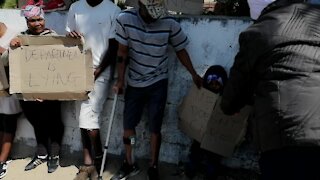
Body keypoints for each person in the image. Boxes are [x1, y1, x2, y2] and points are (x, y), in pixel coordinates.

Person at [220, 0, 320, 179]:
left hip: (284, 140)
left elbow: (231, 97)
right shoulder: (316, 17)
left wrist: (232, 106)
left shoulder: (258, 32)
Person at [112, 0, 203, 179]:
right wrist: (120, 80)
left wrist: (194, 73)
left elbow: (180, 50)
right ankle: (129, 162)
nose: (155, 17)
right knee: (128, 127)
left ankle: (153, 166)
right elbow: (122, 53)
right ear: (140, 5)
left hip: (158, 83)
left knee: (155, 128)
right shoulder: (125, 19)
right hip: (135, 82)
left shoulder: (169, 23)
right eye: (150, 12)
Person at [65, 0, 120, 179]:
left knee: (90, 120)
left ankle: (96, 160)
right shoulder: (76, 7)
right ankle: (89, 161)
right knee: (83, 116)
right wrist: (71, 35)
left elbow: (114, 48)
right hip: (77, 70)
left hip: (100, 71)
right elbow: (68, 38)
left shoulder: (113, 10)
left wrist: (96, 72)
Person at [10, 5, 64, 174]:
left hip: (50, 91)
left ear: (44, 19)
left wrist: (47, 91)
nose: (37, 23)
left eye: (39, 19)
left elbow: (61, 64)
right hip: (28, 92)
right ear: (27, 21)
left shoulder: (53, 37)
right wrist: (12, 46)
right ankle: (41, 155)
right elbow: (8, 60)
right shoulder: (21, 37)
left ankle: (54, 155)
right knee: (36, 122)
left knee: (54, 121)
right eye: (32, 20)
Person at [0, 22, 23, 179]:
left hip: (9, 89)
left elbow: (21, 60)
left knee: (8, 123)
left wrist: (3, 51)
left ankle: (2, 161)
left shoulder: (15, 35)